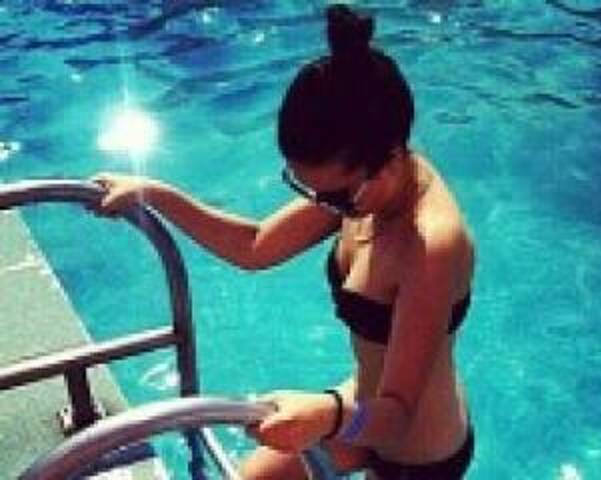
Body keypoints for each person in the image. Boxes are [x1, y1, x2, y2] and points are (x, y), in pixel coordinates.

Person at [94, 4, 475, 479]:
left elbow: (398, 415)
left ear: (392, 159)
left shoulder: (430, 247)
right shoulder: (362, 189)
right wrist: (155, 194)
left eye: (335, 196)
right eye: (311, 191)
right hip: (360, 407)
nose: (326, 207)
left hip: (415, 450)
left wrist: (326, 416)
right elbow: (256, 246)